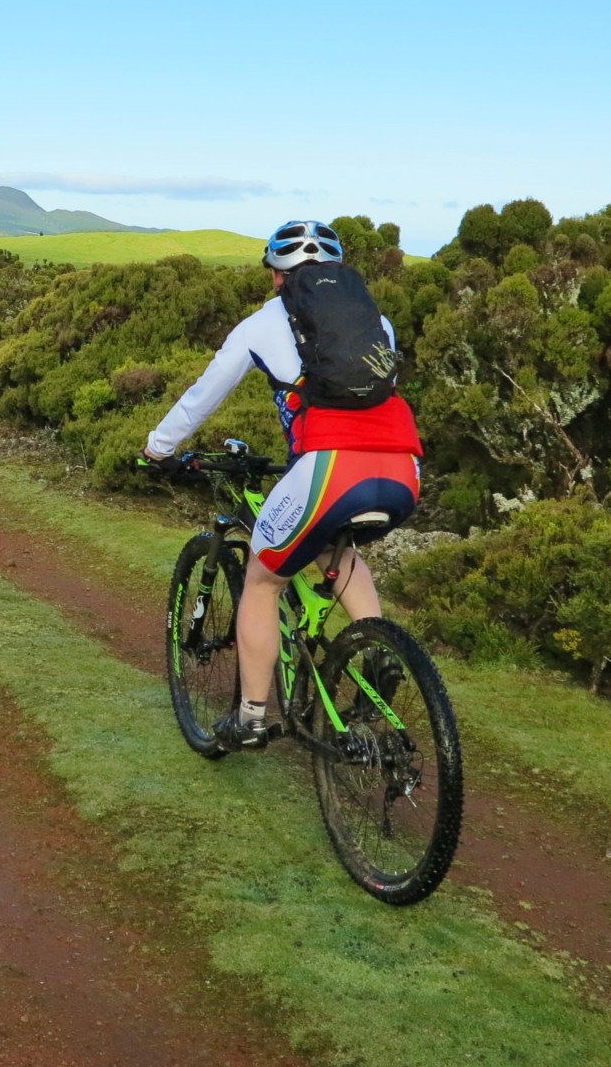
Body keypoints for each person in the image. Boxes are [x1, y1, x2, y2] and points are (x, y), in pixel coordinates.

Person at [143, 219, 424, 750]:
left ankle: (249, 717)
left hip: (329, 469)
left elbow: (204, 395)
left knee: (263, 576)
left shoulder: (260, 324)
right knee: (335, 551)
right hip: (402, 467)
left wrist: (158, 448)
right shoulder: (375, 322)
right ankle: (380, 653)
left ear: (276, 275)